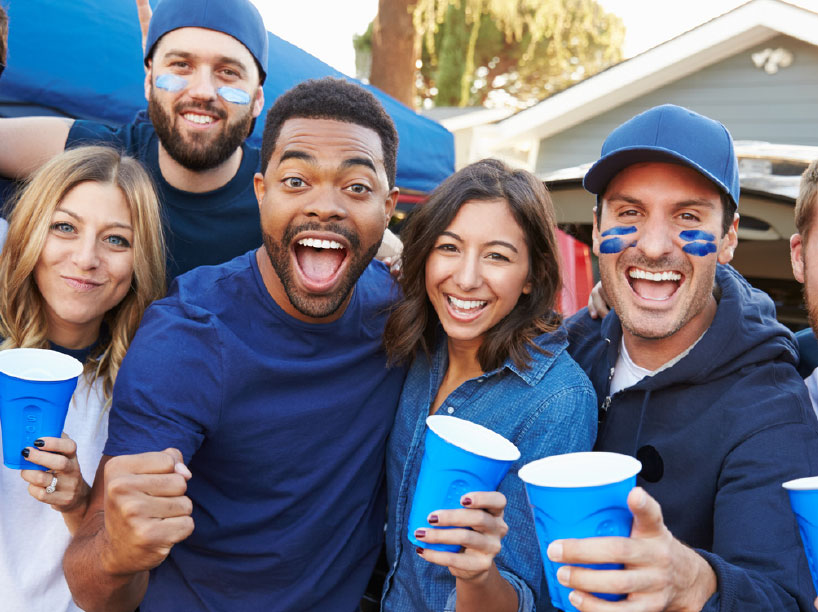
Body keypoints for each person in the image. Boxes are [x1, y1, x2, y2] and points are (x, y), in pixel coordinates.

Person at [62, 77, 405, 612]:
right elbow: (88, 583)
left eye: (357, 188)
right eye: (297, 181)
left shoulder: (403, 313)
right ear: (261, 191)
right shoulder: (189, 333)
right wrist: (116, 552)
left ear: (389, 207)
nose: (325, 207)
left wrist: (591, 298)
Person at [560, 104, 818, 611]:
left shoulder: (770, 405)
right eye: (629, 213)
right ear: (596, 229)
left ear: (728, 239)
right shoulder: (567, 351)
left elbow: (781, 597)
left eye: (688, 217)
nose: (654, 246)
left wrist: (699, 583)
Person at [379, 159, 597, 611]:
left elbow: (527, 598)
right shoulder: (421, 345)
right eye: (449, 247)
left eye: (497, 255)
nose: (466, 278)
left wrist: (476, 573)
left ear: (532, 276)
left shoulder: (558, 402)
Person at [0, 145, 166, 612]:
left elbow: (122, 596)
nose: (86, 258)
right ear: (31, 232)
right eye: (65, 228)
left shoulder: (146, 394)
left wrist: (79, 505)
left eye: (116, 240)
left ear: (139, 261)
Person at [0, 0, 267, 279]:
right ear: (148, 81)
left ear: (258, 98)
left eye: (228, 72)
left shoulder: (284, 192)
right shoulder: (104, 154)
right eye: (181, 65)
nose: (202, 91)